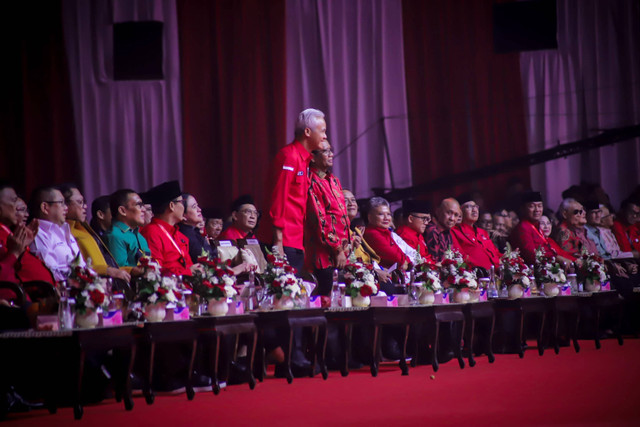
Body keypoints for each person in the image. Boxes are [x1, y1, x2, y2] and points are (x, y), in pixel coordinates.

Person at [259, 108, 327, 272]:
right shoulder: (289, 156)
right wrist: (278, 241)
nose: (325, 136)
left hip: (295, 240)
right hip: (282, 241)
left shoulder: (304, 159)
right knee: (284, 292)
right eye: (323, 131)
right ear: (308, 132)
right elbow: (278, 199)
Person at [59, 184, 130, 282]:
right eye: (80, 202)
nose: (85, 206)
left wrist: (131, 270)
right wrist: (107, 270)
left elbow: (108, 265)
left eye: (84, 202)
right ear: (65, 205)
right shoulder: (65, 233)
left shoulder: (83, 229)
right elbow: (78, 268)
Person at [304, 141, 350, 295]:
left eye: (331, 150)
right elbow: (320, 220)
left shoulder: (334, 180)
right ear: (312, 157)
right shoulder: (311, 181)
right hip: (325, 255)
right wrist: (337, 249)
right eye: (325, 151)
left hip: (343, 253)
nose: (331, 154)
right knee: (330, 302)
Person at [141, 181, 201, 277]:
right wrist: (188, 272)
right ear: (172, 206)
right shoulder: (151, 233)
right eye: (181, 202)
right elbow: (155, 271)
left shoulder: (179, 235)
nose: (183, 208)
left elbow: (188, 265)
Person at [29, 186, 85, 281]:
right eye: (61, 203)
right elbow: (52, 273)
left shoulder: (64, 230)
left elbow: (82, 265)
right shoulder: (37, 234)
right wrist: (81, 281)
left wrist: (94, 280)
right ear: (45, 207)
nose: (66, 208)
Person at [509, 191, 574, 265]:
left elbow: (552, 251)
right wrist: (557, 259)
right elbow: (532, 255)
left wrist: (575, 260)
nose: (537, 210)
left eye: (539, 206)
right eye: (532, 206)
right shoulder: (523, 227)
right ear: (524, 208)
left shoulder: (536, 226)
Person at [450, 196, 501, 272]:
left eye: (475, 206)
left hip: (497, 274)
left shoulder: (482, 232)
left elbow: (497, 253)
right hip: (477, 276)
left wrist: (509, 257)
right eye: (469, 207)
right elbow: (460, 257)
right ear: (460, 212)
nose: (474, 210)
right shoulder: (454, 231)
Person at [104, 189, 150, 269]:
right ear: (122, 211)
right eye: (139, 205)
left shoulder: (139, 235)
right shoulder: (114, 236)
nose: (144, 210)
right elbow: (119, 271)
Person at [363, 197, 410, 270]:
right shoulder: (372, 234)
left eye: (388, 214)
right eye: (381, 214)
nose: (386, 218)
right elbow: (398, 259)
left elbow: (402, 255)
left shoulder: (385, 232)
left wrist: (405, 261)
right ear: (370, 217)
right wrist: (404, 261)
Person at [177, 193, 216, 263]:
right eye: (194, 207)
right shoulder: (186, 235)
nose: (199, 209)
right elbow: (206, 259)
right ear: (183, 214)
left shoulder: (193, 231)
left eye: (197, 206)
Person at [425, 198, 460, 262]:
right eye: (449, 213)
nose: (452, 218)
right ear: (438, 211)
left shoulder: (447, 231)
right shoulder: (432, 231)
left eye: (456, 215)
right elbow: (436, 263)